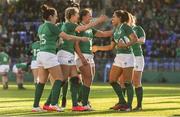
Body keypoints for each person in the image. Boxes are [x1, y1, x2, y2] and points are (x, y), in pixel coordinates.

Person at [32, 4, 89, 112]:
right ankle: (53, 104)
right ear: (50, 17)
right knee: (59, 79)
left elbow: (53, 40)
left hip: (41, 54)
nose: (56, 18)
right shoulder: (51, 26)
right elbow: (67, 37)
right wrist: (81, 38)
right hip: (49, 55)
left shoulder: (41, 27)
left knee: (41, 82)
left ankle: (35, 106)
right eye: (55, 16)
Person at [56, 7, 107, 111]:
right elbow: (82, 29)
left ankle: (76, 104)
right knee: (62, 80)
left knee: (75, 79)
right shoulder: (69, 24)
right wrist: (98, 21)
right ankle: (51, 102)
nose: (78, 16)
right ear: (72, 15)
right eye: (77, 14)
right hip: (65, 53)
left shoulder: (72, 25)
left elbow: (77, 34)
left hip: (69, 54)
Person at [92, 10, 138, 111]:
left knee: (127, 83)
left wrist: (125, 45)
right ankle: (122, 102)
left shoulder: (126, 27)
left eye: (114, 16)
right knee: (112, 80)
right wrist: (97, 48)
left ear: (120, 18)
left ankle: (128, 106)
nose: (112, 19)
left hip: (128, 57)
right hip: (119, 57)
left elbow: (135, 39)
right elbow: (110, 47)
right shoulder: (116, 30)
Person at [74, 8, 113, 110]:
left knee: (88, 80)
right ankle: (84, 104)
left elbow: (104, 34)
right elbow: (76, 44)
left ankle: (82, 101)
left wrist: (118, 29)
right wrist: (81, 57)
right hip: (82, 56)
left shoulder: (90, 28)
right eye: (89, 15)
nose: (91, 17)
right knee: (87, 78)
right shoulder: (79, 28)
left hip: (90, 56)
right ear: (83, 17)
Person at [119, 14, 146, 111]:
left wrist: (133, 40)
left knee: (136, 81)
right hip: (127, 57)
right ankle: (122, 103)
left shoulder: (138, 29)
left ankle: (139, 105)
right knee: (122, 80)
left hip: (137, 56)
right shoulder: (123, 30)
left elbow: (142, 40)